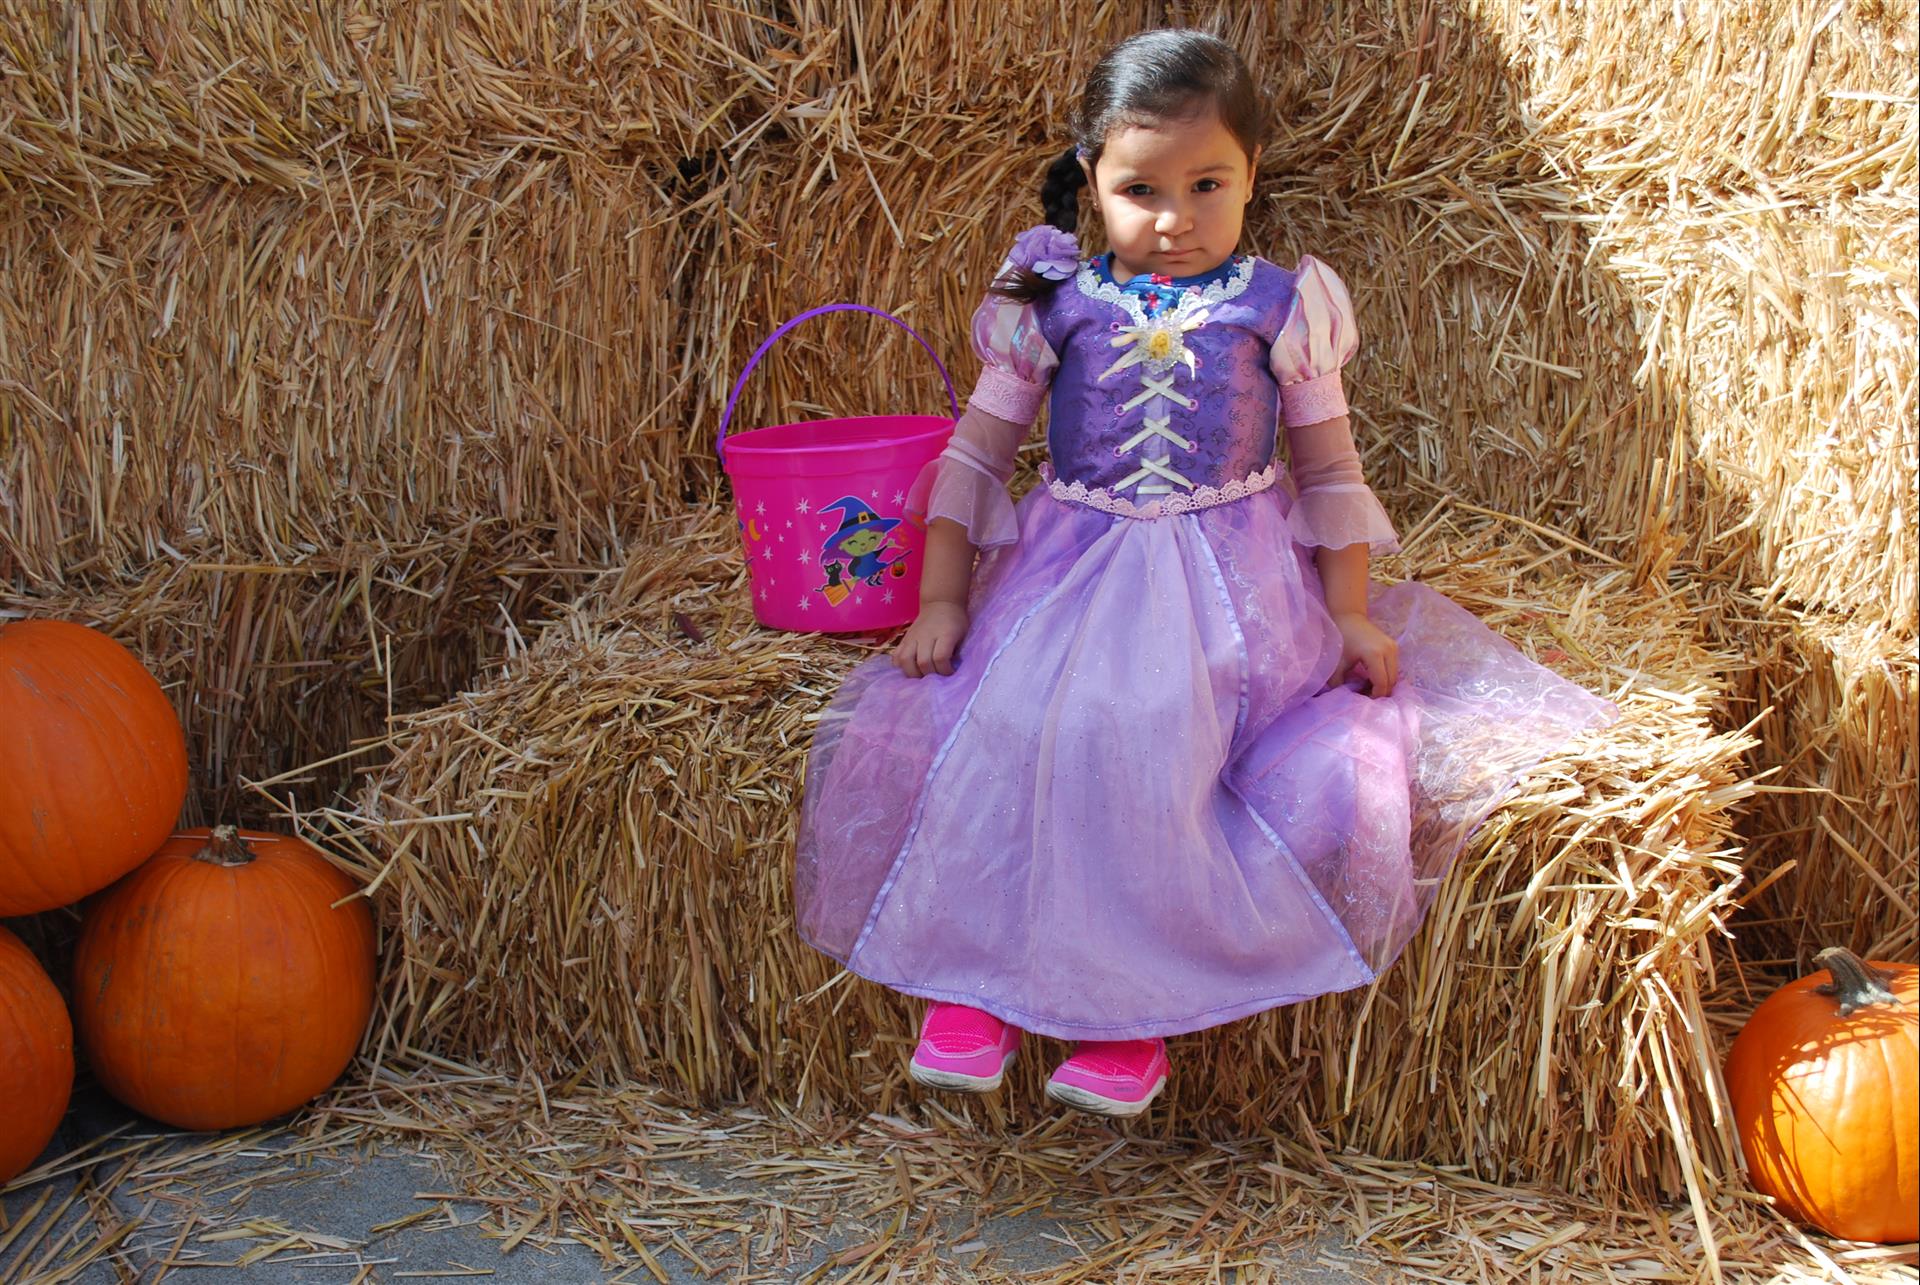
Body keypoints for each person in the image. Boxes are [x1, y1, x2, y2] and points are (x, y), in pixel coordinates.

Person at [792, 29, 1614, 1118]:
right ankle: (969, 978)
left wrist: (1354, 613)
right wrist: (944, 598)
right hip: (1071, 570)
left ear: (1251, 175)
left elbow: (1330, 468)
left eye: (1206, 184)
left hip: (1230, 582)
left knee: (1148, 729)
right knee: (1010, 719)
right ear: (1091, 181)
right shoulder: (1053, 300)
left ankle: (1132, 1013)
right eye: (1140, 188)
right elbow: (977, 455)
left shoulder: (1282, 307)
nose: (1174, 217)